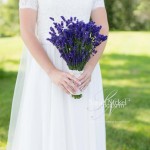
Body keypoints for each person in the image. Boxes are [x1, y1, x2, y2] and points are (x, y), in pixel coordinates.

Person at [6, 0, 109, 149]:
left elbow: (102, 28)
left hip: (83, 67)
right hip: (46, 66)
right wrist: (52, 71)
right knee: (48, 124)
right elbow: (26, 30)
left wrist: (90, 66)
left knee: (81, 125)